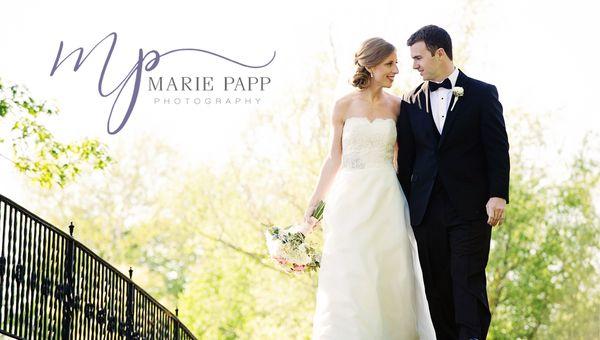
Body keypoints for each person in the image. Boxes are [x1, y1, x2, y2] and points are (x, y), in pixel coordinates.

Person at [303, 37, 436, 340]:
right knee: (351, 273)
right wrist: (314, 205)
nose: (396, 70)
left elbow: (405, 161)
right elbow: (333, 158)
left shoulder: (399, 107)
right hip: (349, 199)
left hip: (387, 199)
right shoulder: (343, 106)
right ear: (371, 65)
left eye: (397, 64)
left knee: (392, 275)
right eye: (390, 64)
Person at [397, 25, 510, 340]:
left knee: (467, 278)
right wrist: (403, 207)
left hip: (471, 208)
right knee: (436, 282)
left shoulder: (483, 93)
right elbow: (406, 161)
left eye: (418, 57)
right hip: (426, 210)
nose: (414, 65)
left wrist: (498, 194)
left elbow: (497, 147)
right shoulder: (409, 101)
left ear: (439, 53)